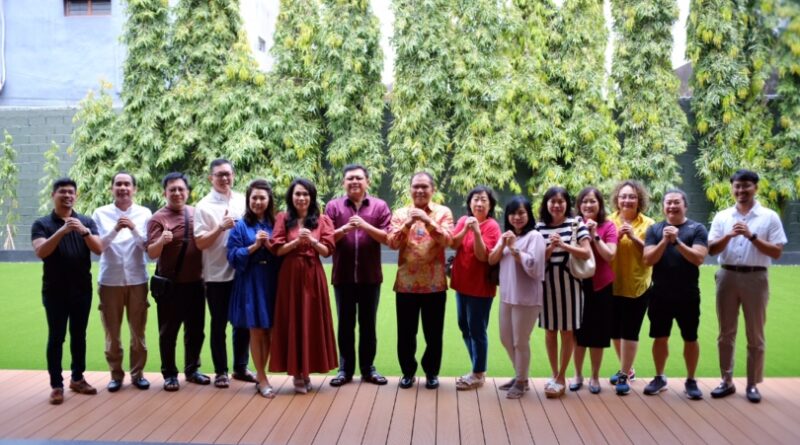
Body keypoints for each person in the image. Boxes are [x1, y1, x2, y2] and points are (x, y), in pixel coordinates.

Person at [708, 169, 787, 403]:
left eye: (746, 186)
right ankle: (726, 381)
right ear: (732, 188)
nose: (741, 190)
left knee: (755, 334)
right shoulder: (723, 216)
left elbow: (777, 252)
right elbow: (711, 249)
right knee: (725, 333)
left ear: (755, 188)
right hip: (727, 276)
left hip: (756, 278)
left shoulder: (769, 217)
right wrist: (729, 236)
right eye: (737, 186)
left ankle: (752, 384)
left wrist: (751, 236)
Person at [32, 178, 102, 405]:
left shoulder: (86, 221)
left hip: (82, 290)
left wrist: (84, 232)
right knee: (56, 337)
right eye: (62, 192)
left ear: (76, 196)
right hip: (55, 291)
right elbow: (41, 252)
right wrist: (62, 231)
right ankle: (56, 385)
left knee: (79, 335)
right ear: (53, 195)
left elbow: (99, 249)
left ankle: (77, 378)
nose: (67, 196)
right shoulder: (42, 224)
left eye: (71, 192)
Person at [269, 178, 338, 394]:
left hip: (313, 274)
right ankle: (296, 374)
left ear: (312, 197)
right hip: (290, 275)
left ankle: (307, 371)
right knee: (293, 319)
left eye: (306, 194)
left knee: (311, 320)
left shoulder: (322, 220)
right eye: (298, 194)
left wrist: (313, 241)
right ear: (291, 197)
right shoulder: (283, 218)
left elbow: (327, 251)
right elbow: (277, 250)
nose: (301, 198)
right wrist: (296, 242)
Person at [324, 164, 391, 387]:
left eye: (359, 178)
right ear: (343, 182)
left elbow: (388, 237)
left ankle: (368, 368)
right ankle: (345, 369)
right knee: (345, 324)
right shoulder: (333, 207)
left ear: (367, 182)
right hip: (342, 276)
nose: (354, 182)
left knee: (368, 324)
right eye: (350, 178)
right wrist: (344, 229)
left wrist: (364, 226)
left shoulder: (379, 206)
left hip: (370, 277)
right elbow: (325, 238)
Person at [387, 172, 453, 390]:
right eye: (416, 186)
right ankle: (408, 372)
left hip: (435, 284)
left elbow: (448, 240)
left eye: (424, 187)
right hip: (406, 284)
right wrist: (408, 223)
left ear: (433, 190)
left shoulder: (443, 212)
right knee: (406, 334)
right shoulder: (400, 213)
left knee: (434, 334)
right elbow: (392, 243)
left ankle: (431, 372)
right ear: (410, 189)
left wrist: (428, 221)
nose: (420, 191)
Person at [642, 189, 708, 400]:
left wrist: (677, 241)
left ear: (685, 206)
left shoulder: (697, 229)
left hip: (688, 293)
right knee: (660, 337)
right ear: (663, 207)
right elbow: (648, 260)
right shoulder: (655, 229)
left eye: (676, 202)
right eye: (668, 202)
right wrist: (664, 240)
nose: (672, 206)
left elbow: (698, 258)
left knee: (690, 337)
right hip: (660, 293)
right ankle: (659, 377)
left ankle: (691, 380)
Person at [146, 172, 208, 392]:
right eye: (172, 189)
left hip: (197, 283)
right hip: (171, 286)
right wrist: (162, 241)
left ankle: (192, 370)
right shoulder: (157, 218)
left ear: (187, 192)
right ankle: (170, 374)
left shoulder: (196, 213)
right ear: (165, 193)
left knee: (196, 331)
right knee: (168, 332)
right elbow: (152, 253)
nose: (177, 193)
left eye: (181, 189)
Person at [194, 159, 253, 387]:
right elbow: (200, 243)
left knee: (243, 323)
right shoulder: (203, 206)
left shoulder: (243, 201)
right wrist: (220, 227)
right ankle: (221, 371)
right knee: (218, 324)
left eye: (228, 174)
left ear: (233, 176)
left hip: (242, 271)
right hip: (217, 274)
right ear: (211, 178)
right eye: (219, 175)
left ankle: (241, 367)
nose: (224, 178)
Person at [91, 172, 152, 392]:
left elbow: (147, 246)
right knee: (112, 333)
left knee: (138, 332)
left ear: (134, 189)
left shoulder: (144, 213)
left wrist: (133, 227)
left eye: (127, 184)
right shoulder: (100, 213)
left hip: (137, 279)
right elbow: (99, 247)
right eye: (118, 184)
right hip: (110, 280)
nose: (123, 188)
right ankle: (116, 375)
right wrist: (116, 228)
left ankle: (138, 374)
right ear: (112, 188)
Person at [536, 186, 592, 398]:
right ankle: (554, 374)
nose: (557, 205)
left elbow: (586, 253)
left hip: (570, 284)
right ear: (546, 204)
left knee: (567, 331)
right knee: (550, 331)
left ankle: (561, 376)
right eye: (552, 201)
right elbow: (538, 259)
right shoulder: (539, 227)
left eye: (561, 201)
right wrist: (550, 248)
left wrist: (564, 245)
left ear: (567, 203)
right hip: (547, 284)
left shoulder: (576, 223)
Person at [227, 179, 281, 398]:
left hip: (272, 280)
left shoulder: (277, 224)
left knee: (268, 328)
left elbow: (283, 250)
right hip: (250, 280)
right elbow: (232, 256)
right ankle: (262, 376)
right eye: (254, 198)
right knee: (256, 329)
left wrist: (269, 245)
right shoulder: (240, 226)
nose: (258, 202)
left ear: (269, 200)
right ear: (248, 200)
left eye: (262, 198)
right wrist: (255, 246)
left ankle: (260, 374)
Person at [488, 196, 545, 399]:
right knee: (506, 339)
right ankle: (521, 375)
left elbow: (535, 267)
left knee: (520, 341)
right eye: (512, 213)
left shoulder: (535, 237)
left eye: (521, 213)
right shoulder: (507, 236)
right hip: (507, 296)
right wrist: (503, 243)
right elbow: (491, 259)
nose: (517, 217)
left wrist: (514, 249)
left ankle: (521, 381)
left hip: (527, 298)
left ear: (529, 214)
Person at [450, 186, 501, 390]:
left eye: (483, 200)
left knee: (477, 329)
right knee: (464, 326)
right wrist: (465, 229)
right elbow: (453, 244)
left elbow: (483, 256)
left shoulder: (492, 226)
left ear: (490, 205)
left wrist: (477, 232)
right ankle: (478, 369)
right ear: (470, 203)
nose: (479, 203)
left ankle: (478, 372)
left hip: (480, 286)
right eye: (475, 199)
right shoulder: (463, 220)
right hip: (461, 284)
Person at [608, 180, 654, 395]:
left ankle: (624, 375)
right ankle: (627, 369)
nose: (627, 200)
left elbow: (653, 254)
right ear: (617, 199)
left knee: (630, 331)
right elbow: (603, 250)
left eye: (632, 196)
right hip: (612, 285)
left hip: (638, 286)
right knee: (614, 331)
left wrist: (634, 237)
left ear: (639, 200)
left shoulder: (649, 224)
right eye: (623, 196)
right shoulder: (608, 222)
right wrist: (616, 237)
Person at [570, 187, 617, 394]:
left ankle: (595, 377)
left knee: (598, 334)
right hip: (577, 284)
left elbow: (609, 255)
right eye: (584, 201)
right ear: (579, 205)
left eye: (592, 201)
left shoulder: (608, 226)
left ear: (600, 204)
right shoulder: (572, 224)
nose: (588, 205)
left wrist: (594, 234)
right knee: (578, 333)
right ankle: (577, 374)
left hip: (601, 286)